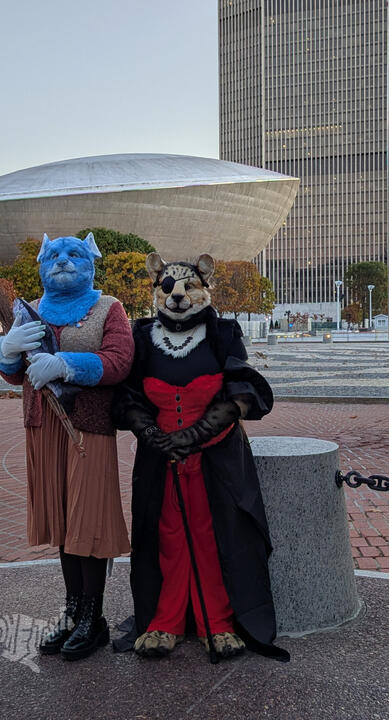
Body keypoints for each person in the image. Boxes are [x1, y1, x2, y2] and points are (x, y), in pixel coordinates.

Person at [113, 253, 287, 663]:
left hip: (217, 462)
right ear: (156, 289)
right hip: (161, 463)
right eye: (168, 286)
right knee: (164, 536)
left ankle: (219, 622)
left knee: (218, 536)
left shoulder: (223, 333)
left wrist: (195, 434)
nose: (177, 295)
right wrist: (154, 435)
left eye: (188, 286)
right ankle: (164, 620)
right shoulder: (141, 336)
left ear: (205, 288)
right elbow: (128, 397)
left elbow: (240, 391)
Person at [0, 233, 133, 661]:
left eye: (73, 254)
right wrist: (6, 352)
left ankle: (94, 616)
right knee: (62, 521)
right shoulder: (29, 311)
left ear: (90, 262)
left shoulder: (108, 308)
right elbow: (16, 374)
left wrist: (68, 365)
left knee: (87, 524)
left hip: (87, 428)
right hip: (43, 428)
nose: (62, 262)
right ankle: (73, 610)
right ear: (42, 264)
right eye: (53, 255)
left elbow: (119, 360)